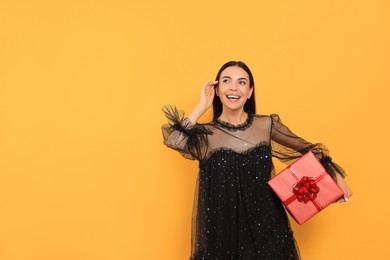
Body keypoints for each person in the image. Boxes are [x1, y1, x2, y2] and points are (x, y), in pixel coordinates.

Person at [161, 61, 352, 260]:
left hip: (269, 230)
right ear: (217, 90)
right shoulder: (206, 135)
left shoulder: (266, 125)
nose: (234, 87)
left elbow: (309, 150)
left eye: (241, 82)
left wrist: (336, 177)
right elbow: (174, 139)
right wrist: (201, 105)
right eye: (226, 81)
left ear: (250, 91)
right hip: (222, 237)